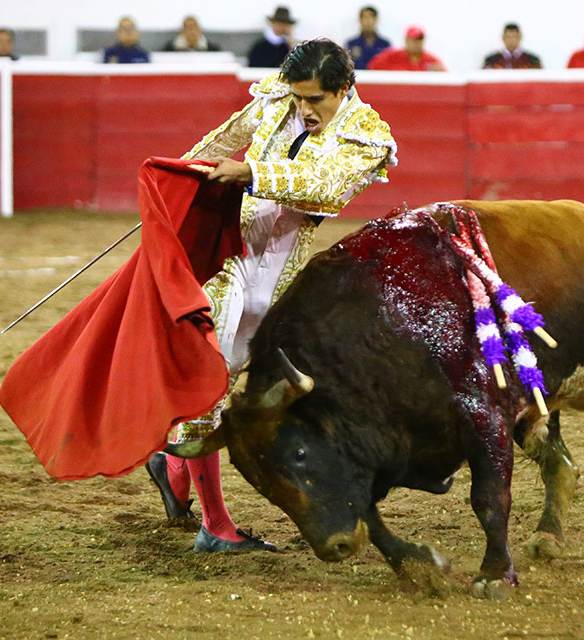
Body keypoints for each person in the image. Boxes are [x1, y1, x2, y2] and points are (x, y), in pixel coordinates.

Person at [145, 38, 397, 552]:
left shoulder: (367, 136)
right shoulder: (280, 97)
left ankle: (173, 466)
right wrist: (178, 181)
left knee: (232, 373)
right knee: (209, 378)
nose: (303, 110)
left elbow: (324, 185)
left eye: (314, 101)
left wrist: (253, 171)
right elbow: (225, 138)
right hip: (225, 251)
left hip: (277, 269)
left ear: (344, 89)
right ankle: (215, 526)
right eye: (298, 98)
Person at [368, 25, 445, 71]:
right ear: (406, 40)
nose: (417, 43)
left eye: (419, 40)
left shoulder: (430, 60)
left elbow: (444, 74)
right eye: (414, 40)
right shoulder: (393, 56)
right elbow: (373, 66)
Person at [346, 6, 391, 70]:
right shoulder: (351, 44)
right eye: (365, 17)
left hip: (380, 78)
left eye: (371, 17)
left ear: (376, 20)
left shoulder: (385, 44)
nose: (368, 21)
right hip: (358, 78)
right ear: (360, 20)